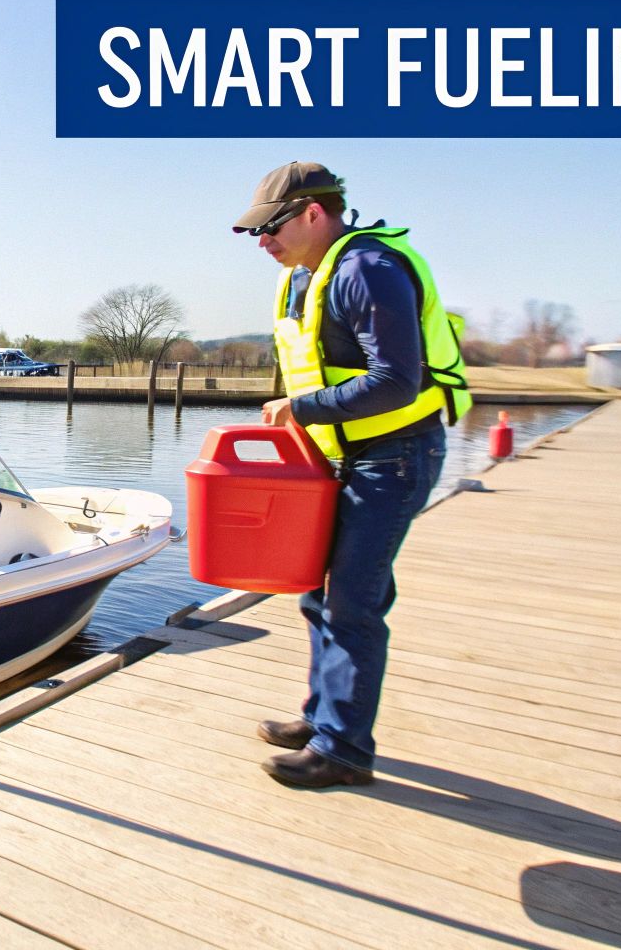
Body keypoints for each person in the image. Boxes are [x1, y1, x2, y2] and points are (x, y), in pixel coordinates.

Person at [231, 161, 471, 788]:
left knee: (354, 603)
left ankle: (344, 752)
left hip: (393, 457)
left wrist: (301, 408)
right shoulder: (310, 275)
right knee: (317, 592)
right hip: (342, 457)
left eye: (272, 228)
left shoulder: (367, 270)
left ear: (314, 212)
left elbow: (397, 380)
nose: (264, 242)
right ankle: (321, 716)